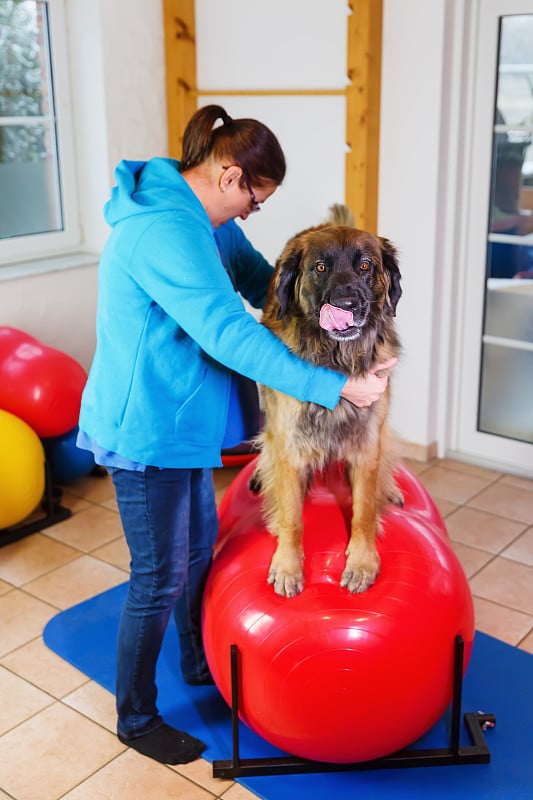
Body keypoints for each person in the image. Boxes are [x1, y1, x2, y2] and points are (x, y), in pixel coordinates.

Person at [77, 104, 397, 766]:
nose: (253, 211)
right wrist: (334, 386)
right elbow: (228, 329)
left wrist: (345, 334)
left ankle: (199, 666)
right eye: (255, 197)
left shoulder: (204, 219)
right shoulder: (164, 229)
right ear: (229, 175)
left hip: (183, 423)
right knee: (157, 575)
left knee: (196, 553)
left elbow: (263, 286)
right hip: (145, 430)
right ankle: (135, 719)